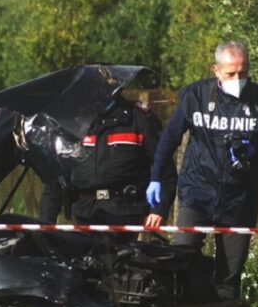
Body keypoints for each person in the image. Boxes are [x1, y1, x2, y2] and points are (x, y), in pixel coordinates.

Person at [147, 40, 258, 300]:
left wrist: (256, 151)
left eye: (243, 73)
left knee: (230, 274)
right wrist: (155, 177)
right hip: (198, 191)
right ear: (216, 70)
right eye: (230, 73)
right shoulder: (195, 97)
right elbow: (170, 139)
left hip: (240, 197)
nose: (238, 78)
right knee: (182, 256)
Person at [65, 95, 176, 232]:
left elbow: (164, 167)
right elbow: (58, 173)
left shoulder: (138, 118)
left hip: (125, 209)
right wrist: (47, 218)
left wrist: (159, 210)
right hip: (84, 210)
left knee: (117, 252)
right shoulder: (74, 121)